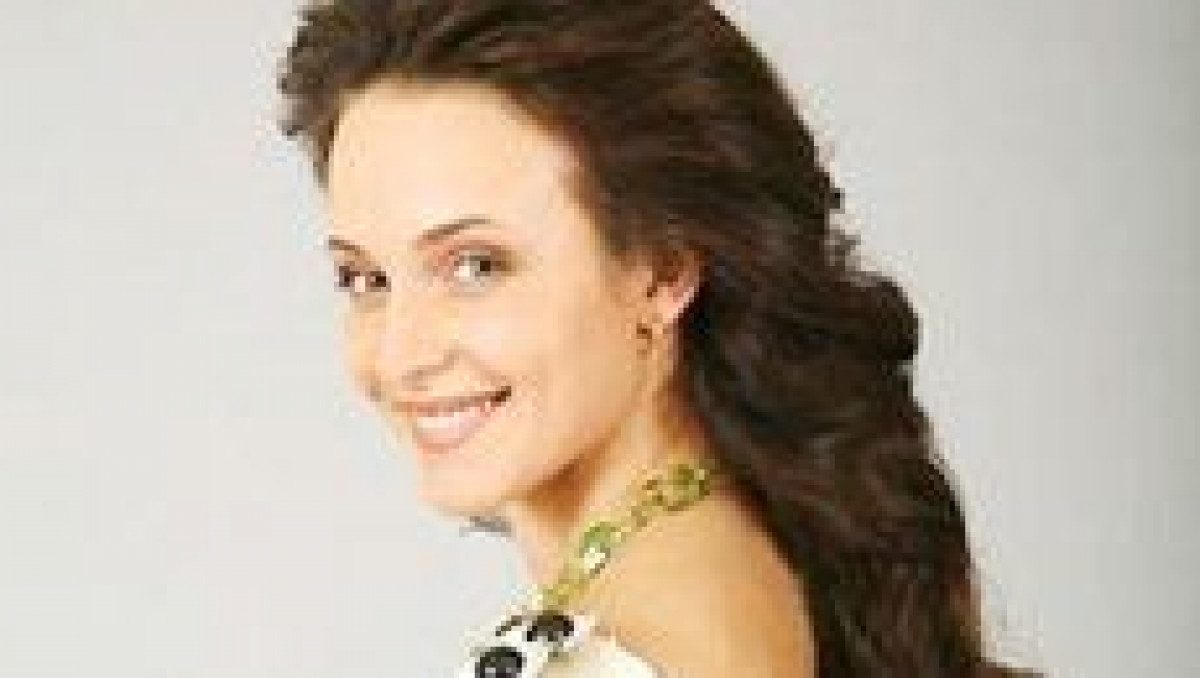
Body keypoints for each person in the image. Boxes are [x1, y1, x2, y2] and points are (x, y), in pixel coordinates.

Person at [276, 1, 1041, 676]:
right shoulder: (747, 560)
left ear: (661, 273)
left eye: (476, 266)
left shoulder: (625, 649)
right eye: (365, 279)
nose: (401, 354)